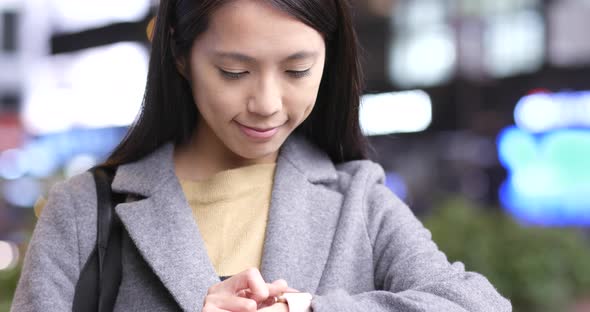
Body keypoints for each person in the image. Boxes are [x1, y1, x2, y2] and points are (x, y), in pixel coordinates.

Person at [11, 0, 512, 311]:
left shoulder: (359, 201)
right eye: (234, 72)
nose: (268, 104)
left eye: (297, 71)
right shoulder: (84, 211)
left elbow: (478, 305)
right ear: (180, 56)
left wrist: (309, 310)